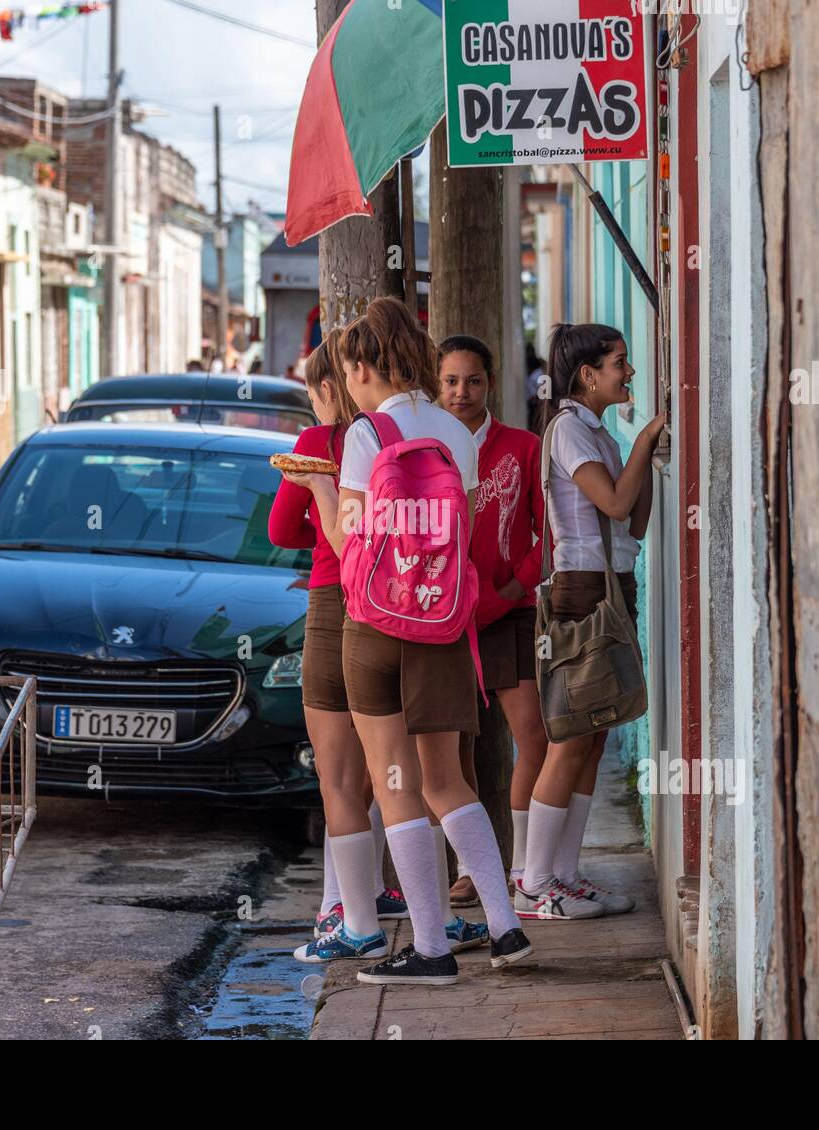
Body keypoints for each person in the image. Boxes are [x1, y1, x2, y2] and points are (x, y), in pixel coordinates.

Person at [286, 298, 531, 986]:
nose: (351, 381)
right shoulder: (458, 434)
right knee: (446, 779)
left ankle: (430, 949)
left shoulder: (368, 434)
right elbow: (472, 527)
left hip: (377, 626)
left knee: (394, 782)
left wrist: (320, 488)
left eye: (352, 368)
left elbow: (348, 544)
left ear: (365, 366)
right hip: (445, 622)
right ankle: (506, 925)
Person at [515, 324, 666, 921]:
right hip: (582, 591)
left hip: (611, 584)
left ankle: (564, 875)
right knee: (572, 735)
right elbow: (612, 502)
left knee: (595, 735)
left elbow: (634, 521)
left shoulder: (599, 431)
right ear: (587, 374)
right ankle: (533, 885)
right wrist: (645, 441)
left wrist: (644, 453)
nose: (628, 373)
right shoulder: (570, 430)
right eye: (619, 363)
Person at [268, 333, 409, 963]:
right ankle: (375, 893)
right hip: (403, 600)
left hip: (335, 596)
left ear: (328, 386)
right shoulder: (396, 431)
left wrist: (316, 500)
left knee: (337, 774)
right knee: (391, 766)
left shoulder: (317, 446)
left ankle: (344, 911)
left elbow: (279, 530)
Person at [436, 335, 551, 905]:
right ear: (437, 385)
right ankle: (470, 871)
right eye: (451, 381)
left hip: (509, 615)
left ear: (490, 383)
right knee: (455, 751)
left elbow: (546, 532)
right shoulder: (425, 447)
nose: (461, 392)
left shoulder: (523, 447)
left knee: (534, 734)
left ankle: (529, 869)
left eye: (473, 380)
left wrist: (512, 587)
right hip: (442, 619)